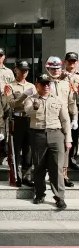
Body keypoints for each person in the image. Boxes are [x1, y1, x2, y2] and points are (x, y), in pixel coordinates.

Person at [24, 73, 70, 210]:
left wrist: (68, 139)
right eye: (42, 84)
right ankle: (39, 193)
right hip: (38, 135)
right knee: (39, 166)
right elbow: (27, 111)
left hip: (56, 134)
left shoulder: (58, 100)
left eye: (47, 84)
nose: (45, 86)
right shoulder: (31, 99)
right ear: (37, 85)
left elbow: (65, 120)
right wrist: (35, 107)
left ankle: (59, 197)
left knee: (57, 167)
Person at [3, 59, 36, 187]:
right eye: (22, 70)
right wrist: (23, 95)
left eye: (26, 70)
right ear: (15, 70)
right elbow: (11, 104)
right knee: (16, 149)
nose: (24, 72)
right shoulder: (9, 86)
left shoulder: (32, 86)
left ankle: (27, 176)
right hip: (16, 119)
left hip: (29, 119)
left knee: (28, 149)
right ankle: (16, 176)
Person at [45, 56, 77, 187]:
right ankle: (49, 172)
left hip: (64, 118)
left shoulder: (66, 83)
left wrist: (75, 117)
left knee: (66, 147)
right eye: (52, 69)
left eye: (58, 68)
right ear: (48, 69)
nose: (56, 71)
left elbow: (71, 102)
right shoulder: (44, 82)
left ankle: (64, 175)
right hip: (50, 118)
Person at [63, 52, 79, 170]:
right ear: (65, 62)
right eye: (69, 61)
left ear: (77, 63)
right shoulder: (60, 75)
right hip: (64, 109)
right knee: (64, 135)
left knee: (75, 135)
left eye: (74, 61)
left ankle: (72, 159)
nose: (71, 64)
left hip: (77, 108)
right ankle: (63, 160)